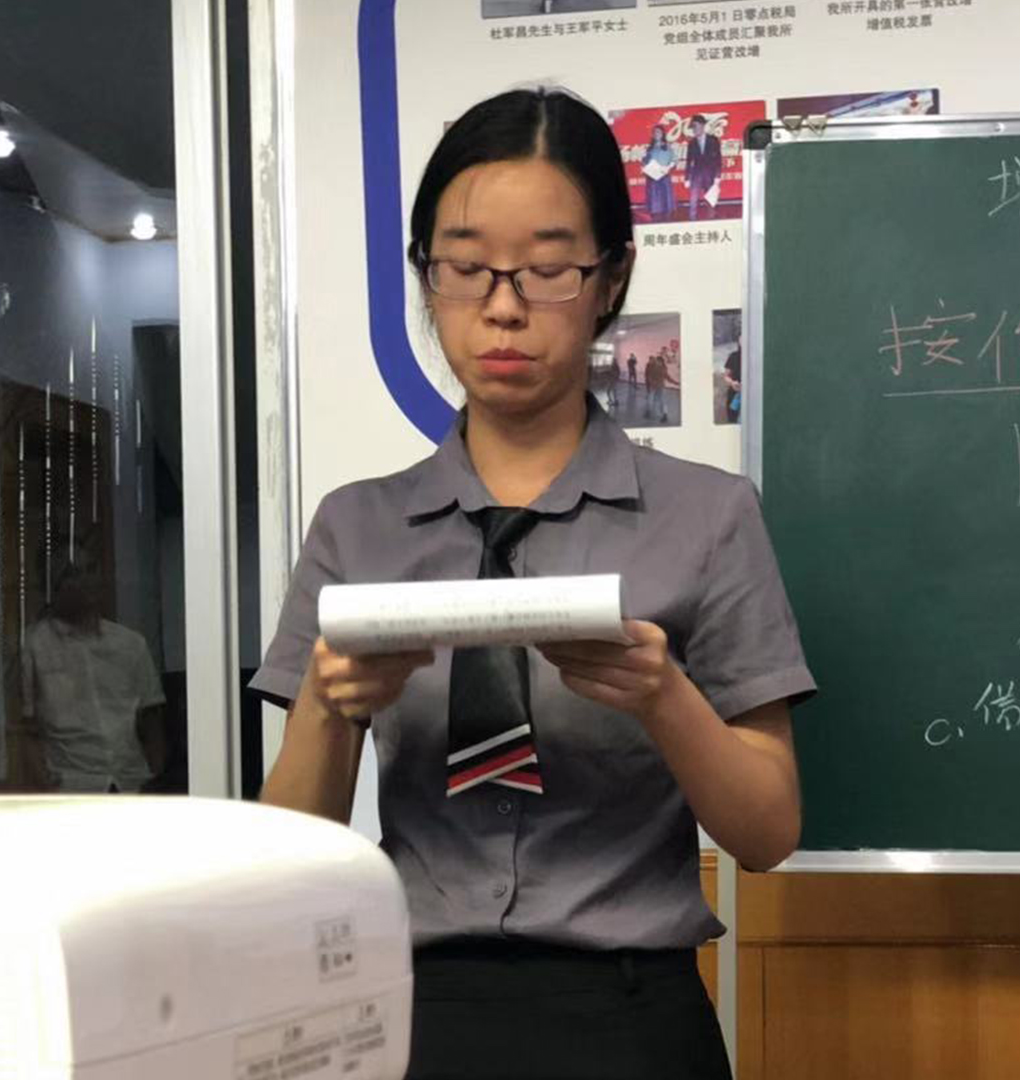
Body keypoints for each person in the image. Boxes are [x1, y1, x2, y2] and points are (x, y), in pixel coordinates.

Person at [253, 86, 813, 1080]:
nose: (503, 307)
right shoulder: (357, 528)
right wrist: (332, 710)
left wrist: (663, 696)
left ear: (611, 278)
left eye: (548, 270)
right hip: (415, 1015)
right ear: (426, 277)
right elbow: (290, 858)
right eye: (466, 268)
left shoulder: (708, 518)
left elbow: (767, 833)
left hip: (632, 1020)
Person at [16, 549, 166, 793]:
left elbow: (152, 718)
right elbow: (25, 729)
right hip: (71, 789)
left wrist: (155, 776)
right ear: (51, 586)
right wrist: (46, 789)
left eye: (91, 569)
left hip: (131, 784)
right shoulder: (34, 645)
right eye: (72, 574)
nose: (85, 580)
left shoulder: (130, 644)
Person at [684, 114, 723, 221]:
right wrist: (687, 178)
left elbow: (718, 159)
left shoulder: (713, 140)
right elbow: (689, 161)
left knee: (711, 200)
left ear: (702, 126)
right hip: (696, 175)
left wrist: (718, 176)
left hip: (710, 175)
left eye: (695, 126)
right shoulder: (691, 143)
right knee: (693, 200)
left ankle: (711, 220)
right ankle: (692, 220)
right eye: (692, 127)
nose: (694, 129)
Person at [641, 124, 676, 222]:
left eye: (659, 132)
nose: (656, 134)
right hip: (652, 177)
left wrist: (667, 167)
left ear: (663, 134)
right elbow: (644, 161)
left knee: (665, 202)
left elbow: (674, 160)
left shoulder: (667, 146)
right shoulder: (649, 148)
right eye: (655, 132)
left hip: (663, 176)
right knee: (654, 203)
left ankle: (666, 220)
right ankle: (655, 220)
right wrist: (644, 166)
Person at [722, 331, 742, 424]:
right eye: (741, 338)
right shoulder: (733, 356)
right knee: (733, 421)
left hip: (752, 395)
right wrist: (732, 383)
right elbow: (726, 376)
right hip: (735, 394)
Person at [645, 352, 665, 423]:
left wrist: (675, 382)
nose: (656, 362)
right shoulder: (652, 366)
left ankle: (664, 415)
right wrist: (651, 383)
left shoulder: (662, 368)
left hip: (659, 386)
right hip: (654, 386)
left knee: (660, 400)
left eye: (657, 361)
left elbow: (666, 376)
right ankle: (649, 412)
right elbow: (648, 375)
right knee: (651, 399)